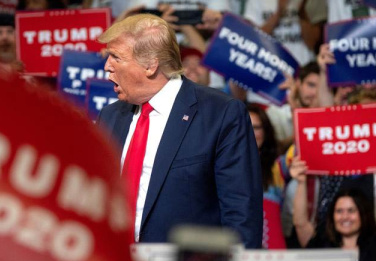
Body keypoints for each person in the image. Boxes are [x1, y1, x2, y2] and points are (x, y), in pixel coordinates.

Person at [96, 14, 263, 248]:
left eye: (116, 57)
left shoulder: (220, 114)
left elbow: (241, 213)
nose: (106, 66)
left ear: (151, 64)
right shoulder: (110, 117)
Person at [248, 104, 285, 249]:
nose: (251, 132)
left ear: (266, 131)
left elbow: (305, 148)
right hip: (237, 255)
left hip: (274, 255)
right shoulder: (222, 167)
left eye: (256, 127)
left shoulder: (278, 166)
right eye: (246, 126)